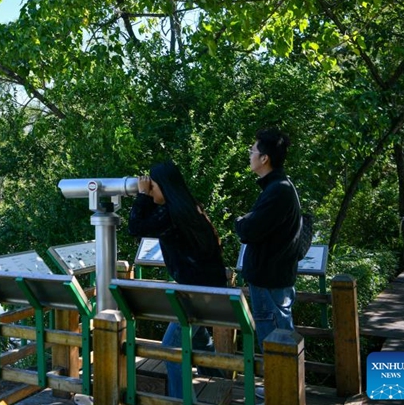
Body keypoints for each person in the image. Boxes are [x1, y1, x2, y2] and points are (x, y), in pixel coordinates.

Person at [127, 160, 226, 399]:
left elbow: (135, 227)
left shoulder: (172, 215)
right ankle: (222, 385)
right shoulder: (187, 208)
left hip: (195, 293)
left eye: (153, 187)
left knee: (171, 349)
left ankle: (181, 400)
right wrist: (148, 194)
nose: (151, 192)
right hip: (207, 290)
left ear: (165, 187)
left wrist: (141, 195)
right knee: (200, 342)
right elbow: (150, 220)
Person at [235, 128, 302, 401]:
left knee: (275, 336)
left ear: (264, 158)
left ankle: (281, 390)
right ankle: (282, 385)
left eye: (252, 151)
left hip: (270, 279)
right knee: (280, 334)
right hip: (274, 278)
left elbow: (248, 230)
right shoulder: (279, 188)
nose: (249, 155)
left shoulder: (278, 191)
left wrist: (240, 221)